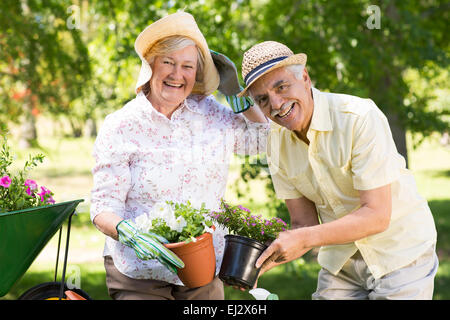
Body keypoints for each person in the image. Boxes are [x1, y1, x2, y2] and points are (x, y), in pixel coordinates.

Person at [237, 41, 438, 300]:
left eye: (281, 87)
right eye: (263, 99)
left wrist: (304, 239)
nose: (276, 104)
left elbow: (377, 215)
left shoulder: (359, 117)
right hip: (342, 261)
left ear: (305, 78)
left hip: (400, 252)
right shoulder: (275, 143)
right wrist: (264, 258)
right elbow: (303, 224)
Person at [90, 12, 268, 300]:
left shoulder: (212, 114)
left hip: (201, 268)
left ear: (196, 73)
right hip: (139, 271)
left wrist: (237, 94)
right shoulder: (121, 125)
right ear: (150, 66)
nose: (177, 74)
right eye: (168, 63)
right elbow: (102, 206)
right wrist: (129, 233)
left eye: (187, 66)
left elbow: (264, 141)